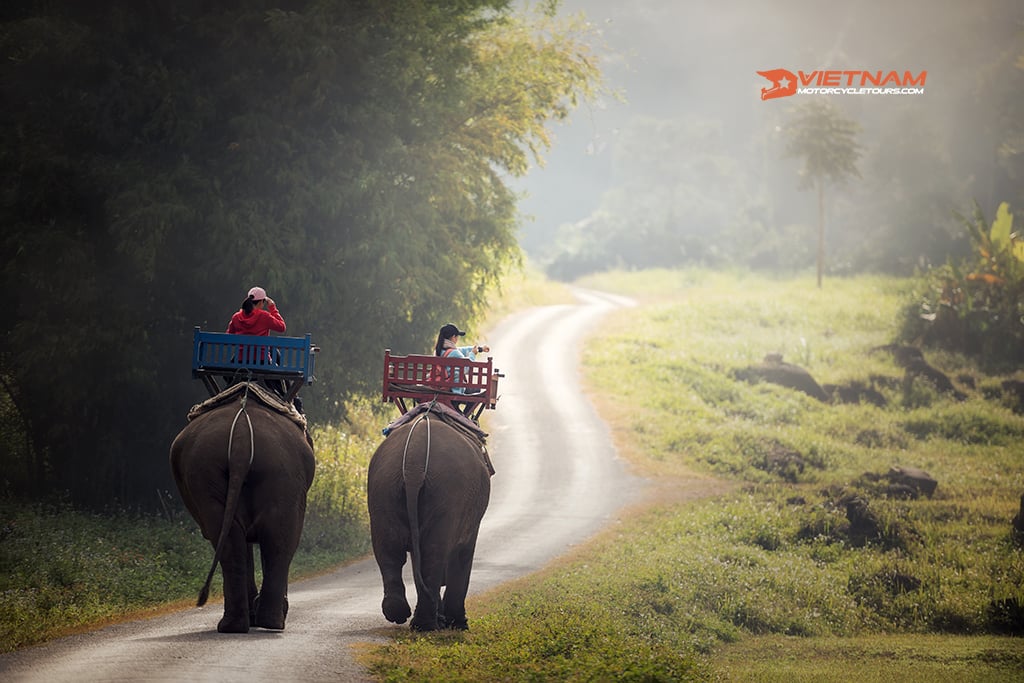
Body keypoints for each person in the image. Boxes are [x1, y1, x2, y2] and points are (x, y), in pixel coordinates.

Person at [226, 286, 301, 413]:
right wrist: (272, 308)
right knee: (277, 370)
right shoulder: (264, 316)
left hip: (240, 362)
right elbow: (282, 327)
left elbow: (229, 336)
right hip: (261, 361)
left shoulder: (236, 317)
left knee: (230, 372)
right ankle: (288, 400)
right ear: (261, 302)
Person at [434, 323, 490, 398]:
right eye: (457, 337)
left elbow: (462, 350)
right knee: (477, 390)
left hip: (440, 386)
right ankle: (462, 409)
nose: (457, 339)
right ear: (453, 337)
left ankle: (456, 408)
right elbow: (467, 368)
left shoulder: (438, 351)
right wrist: (472, 354)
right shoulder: (454, 353)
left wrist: (480, 349)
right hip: (455, 388)